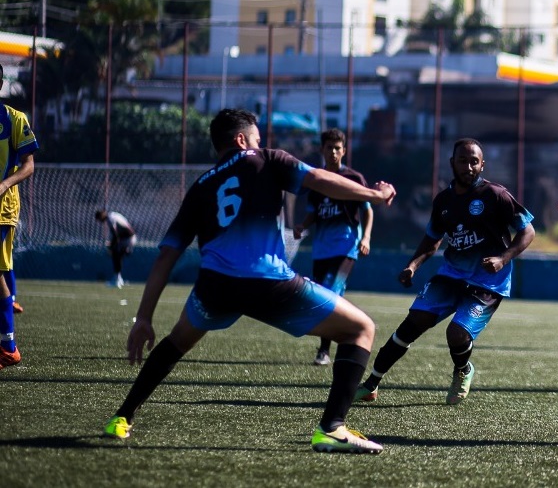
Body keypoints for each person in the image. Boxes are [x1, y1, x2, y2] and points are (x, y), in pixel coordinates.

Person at [101, 109, 396, 454]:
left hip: (214, 288)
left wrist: (145, 319)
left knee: (177, 341)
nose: (260, 142)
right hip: (267, 283)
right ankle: (332, 428)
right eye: (256, 137)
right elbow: (318, 179)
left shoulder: (201, 186)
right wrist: (374, 196)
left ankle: (122, 417)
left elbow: (166, 255)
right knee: (360, 329)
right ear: (242, 140)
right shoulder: (267, 159)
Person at [355, 138, 534, 405]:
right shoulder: (443, 201)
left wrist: (503, 258)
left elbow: (527, 231)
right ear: (452, 163)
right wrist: (412, 265)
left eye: (474, 161)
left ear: (482, 165)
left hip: (488, 281)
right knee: (413, 322)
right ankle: (371, 383)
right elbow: (432, 240)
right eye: (463, 160)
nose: (469, 166)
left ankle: (463, 370)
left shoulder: (496, 195)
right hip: (451, 274)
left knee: (456, 334)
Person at [293, 128, 373, 367]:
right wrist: (302, 226)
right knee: (322, 297)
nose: (334, 152)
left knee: (331, 293)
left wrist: (366, 238)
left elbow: (367, 211)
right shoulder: (317, 181)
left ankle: (327, 350)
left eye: (338, 148)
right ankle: (335, 344)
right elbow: (313, 214)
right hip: (321, 249)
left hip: (346, 246)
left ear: (344, 151)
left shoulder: (354, 179)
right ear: (322, 150)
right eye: (330, 147)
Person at [0, 63, 38, 369]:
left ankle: (8, 346)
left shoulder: (14, 119)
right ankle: (7, 344)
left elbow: (29, 165)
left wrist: (3, 184)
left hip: (2, 209)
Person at [95, 209, 136, 289]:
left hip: (127, 239)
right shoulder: (113, 215)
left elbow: (116, 235)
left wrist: (111, 246)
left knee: (116, 254)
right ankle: (118, 278)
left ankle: (117, 279)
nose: (101, 222)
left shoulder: (110, 219)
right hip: (126, 238)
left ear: (102, 215)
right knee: (117, 255)